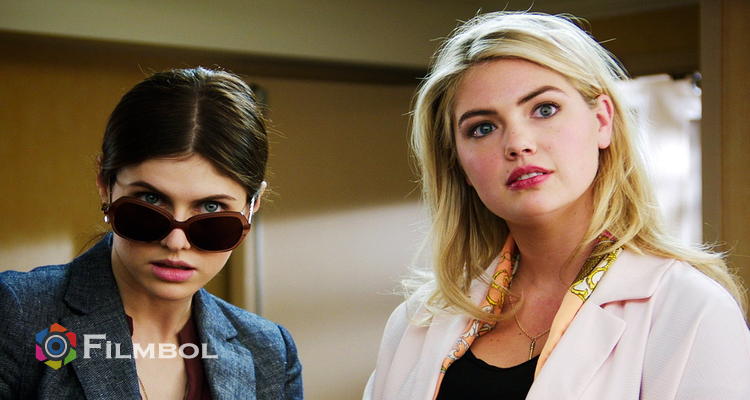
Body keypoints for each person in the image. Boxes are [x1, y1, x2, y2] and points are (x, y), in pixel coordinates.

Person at [364, 11, 750, 400]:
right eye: (483, 128)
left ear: (602, 121)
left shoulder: (691, 310)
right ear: (459, 164)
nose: (518, 143)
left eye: (544, 109)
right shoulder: (416, 324)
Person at [0, 67, 303, 399]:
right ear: (105, 185)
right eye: (151, 200)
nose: (175, 242)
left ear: (252, 205)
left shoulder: (268, 352)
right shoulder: (20, 316)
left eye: (211, 208)